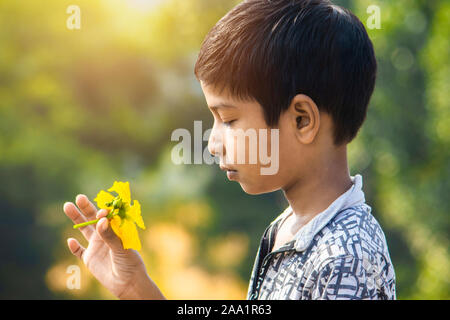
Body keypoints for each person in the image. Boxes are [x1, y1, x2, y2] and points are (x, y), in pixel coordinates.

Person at [63, 0, 396, 300]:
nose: (212, 143)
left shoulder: (345, 260)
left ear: (301, 120)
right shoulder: (286, 230)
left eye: (229, 119)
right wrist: (136, 287)